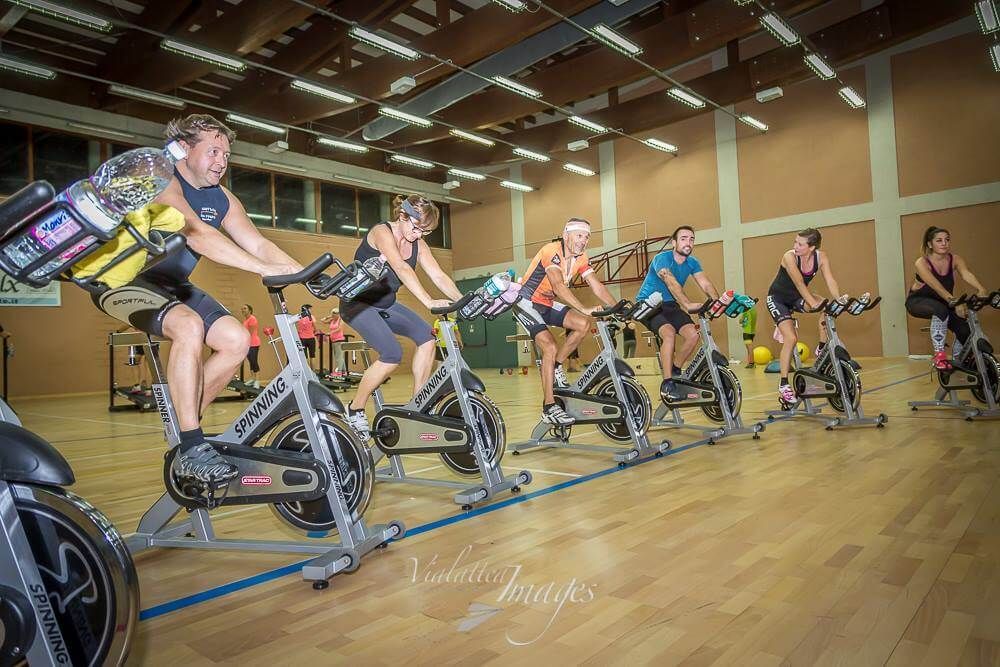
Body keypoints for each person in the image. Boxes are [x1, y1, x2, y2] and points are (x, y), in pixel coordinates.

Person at [93, 114, 301, 485]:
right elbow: (198, 235)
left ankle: (185, 432)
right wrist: (261, 269)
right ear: (185, 149)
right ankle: (192, 445)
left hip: (172, 284)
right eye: (213, 151)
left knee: (236, 340)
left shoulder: (222, 198)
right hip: (121, 282)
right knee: (188, 326)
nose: (221, 161)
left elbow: (258, 243)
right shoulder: (163, 182)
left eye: (226, 154)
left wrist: (310, 273)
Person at [341, 194, 462, 440]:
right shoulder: (381, 232)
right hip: (358, 304)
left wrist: (463, 300)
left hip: (386, 303)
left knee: (428, 338)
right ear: (403, 215)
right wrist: (428, 301)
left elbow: (438, 276)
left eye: (425, 233)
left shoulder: (419, 244)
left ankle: (418, 406)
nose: (419, 236)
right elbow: (401, 267)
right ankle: (354, 409)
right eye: (417, 229)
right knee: (392, 355)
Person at [512, 218, 616, 426]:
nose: (583, 240)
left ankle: (557, 365)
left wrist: (617, 307)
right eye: (579, 235)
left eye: (587, 236)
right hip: (526, 302)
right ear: (566, 234)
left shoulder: (581, 257)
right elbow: (558, 286)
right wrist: (584, 308)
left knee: (583, 324)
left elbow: (596, 285)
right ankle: (549, 407)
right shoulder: (551, 251)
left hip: (546, 303)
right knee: (549, 346)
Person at [634, 226, 722, 402]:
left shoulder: (693, 263)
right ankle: (667, 383)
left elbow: (705, 283)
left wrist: (716, 302)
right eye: (683, 238)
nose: (688, 242)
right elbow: (670, 281)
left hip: (669, 304)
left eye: (691, 239)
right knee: (668, 333)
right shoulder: (662, 259)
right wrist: (687, 304)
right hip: (647, 304)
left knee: (693, 335)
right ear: (674, 242)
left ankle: (675, 368)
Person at [765, 228, 843, 404]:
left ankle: (821, 349)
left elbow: (830, 279)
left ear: (812, 247)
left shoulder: (821, 257)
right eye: (795, 242)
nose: (795, 246)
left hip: (797, 298)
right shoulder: (789, 257)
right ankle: (784, 384)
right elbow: (800, 283)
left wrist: (839, 299)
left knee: (827, 307)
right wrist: (812, 303)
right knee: (791, 338)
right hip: (778, 299)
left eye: (800, 244)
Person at [904, 227, 987, 370]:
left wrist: (981, 289)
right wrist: (955, 302)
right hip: (918, 301)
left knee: (964, 329)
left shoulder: (955, 259)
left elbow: (966, 274)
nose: (944, 243)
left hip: (944, 301)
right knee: (940, 310)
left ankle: (964, 358)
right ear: (930, 244)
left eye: (947, 240)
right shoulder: (922, 262)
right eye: (939, 240)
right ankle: (939, 356)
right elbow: (936, 286)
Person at [320, 307, 347, 376]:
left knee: (339, 356)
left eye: (335, 314)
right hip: (334, 340)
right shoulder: (332, 320)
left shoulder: (341, 320)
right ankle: (344, 371)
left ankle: (339, 372)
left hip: (340, 340)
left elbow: (339, 328)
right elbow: (322, 321)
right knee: (338, 356)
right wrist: (328, 317)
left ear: (338, 314)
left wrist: (330, 333)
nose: (333, 315)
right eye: (333, 314)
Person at [241, 304, 261, 388]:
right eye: (242, 309)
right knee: (251, 362)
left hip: (254, 343)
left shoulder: (252, 319)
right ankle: (252, 379)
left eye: (245, 308)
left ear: (250, 310)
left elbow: (250, 333)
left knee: (254, 361)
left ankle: (257, 380)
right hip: (248, 344)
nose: (243, 310)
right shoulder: (246, 320)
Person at [297, 304, 318, 370]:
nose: (310, 310)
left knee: (304, 356)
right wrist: (313, 331)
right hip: (311, 338)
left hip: (302, 339)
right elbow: (315, 328)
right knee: (312, 356)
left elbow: (298, 327)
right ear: (307, 309)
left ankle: (307, 371)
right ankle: (313, 371)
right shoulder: (311, 317)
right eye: (310, 309)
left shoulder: (299, 317)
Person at [740, 304, 757, 368]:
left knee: (749, 348)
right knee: (749, 348)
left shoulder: (745, 311)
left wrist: (743, 319)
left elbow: (740, 321)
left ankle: (751, 363)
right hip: (752, 332)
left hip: (747, 332)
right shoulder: (754, 311)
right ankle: (750, 362)